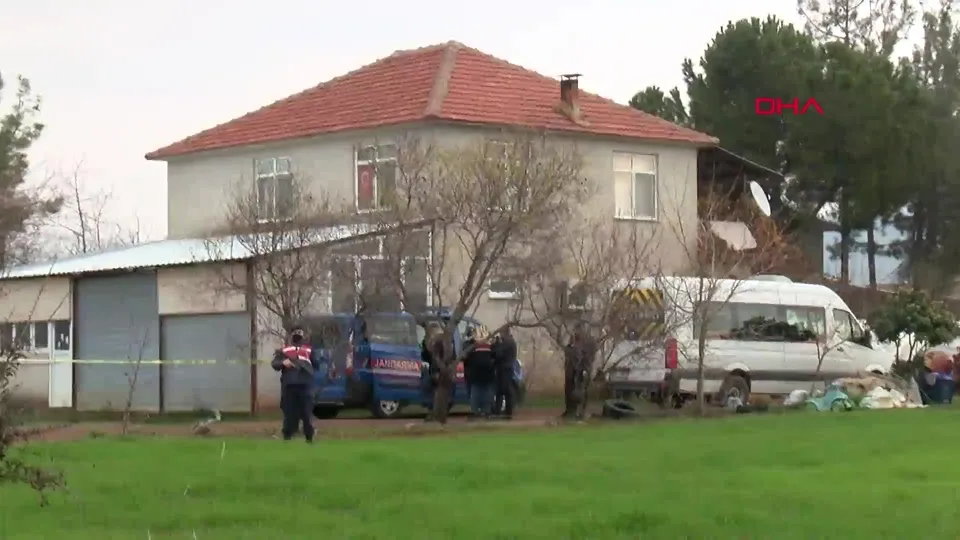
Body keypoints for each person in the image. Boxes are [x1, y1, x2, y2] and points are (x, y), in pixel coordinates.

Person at [271, 325, 319, 442]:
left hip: (305, 386)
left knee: (306, 413)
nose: (298, 336)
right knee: (289, 413)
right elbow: (275, 364)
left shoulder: (309, 350)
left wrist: (305, 364)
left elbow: (316, 366)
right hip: (289, 386)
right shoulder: (283, 351)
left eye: (300, 333)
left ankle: (309, 437)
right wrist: (283, 362)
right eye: (296, 333)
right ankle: (287, 436)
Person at [563, 323, 597, 419]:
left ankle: (581, 412)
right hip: (571, 370)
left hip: (582, 370)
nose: (576, 332)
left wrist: (584, 369)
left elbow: (588, 357)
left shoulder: (589, 342)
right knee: (570, 390)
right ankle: (570, 411)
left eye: (577, 330)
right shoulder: (573, 342)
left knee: (582, 391)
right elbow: (569, 353)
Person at [463, 326, 495, 419]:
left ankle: (476, 411)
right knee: (485, 393)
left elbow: (466, 359)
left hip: (476, 374)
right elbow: (496, 356)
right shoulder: (491, 347)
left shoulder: (472, 347)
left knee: (476, 393)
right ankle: (485, 411)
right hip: (487, 374)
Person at [492, 327, 518, 419]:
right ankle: (505, 412)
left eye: (501, 333)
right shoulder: (511, 342)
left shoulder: (507, 343)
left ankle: (501, 412)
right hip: (507, 368)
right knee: (505, 391)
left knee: (503, 391)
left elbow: (498, 354)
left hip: (504, 368)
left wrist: (495, 345)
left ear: (504, 333)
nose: (500, 336)